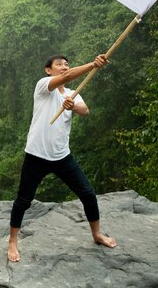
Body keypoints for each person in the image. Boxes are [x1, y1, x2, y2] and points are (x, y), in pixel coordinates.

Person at [7, 53, 116, 263]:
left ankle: (96, 234)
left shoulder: (72, 93)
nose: (64, 67)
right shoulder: (43, 86)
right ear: (49, 70)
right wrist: (93, 64)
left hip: (62, 156)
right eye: (59, 64)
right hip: (36, 155)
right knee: (23, 200)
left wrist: (72, 105)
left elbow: (85, 111)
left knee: (88, 194)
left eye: (67, 64)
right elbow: (66, 78)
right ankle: (12, 241)